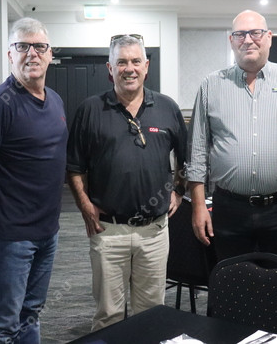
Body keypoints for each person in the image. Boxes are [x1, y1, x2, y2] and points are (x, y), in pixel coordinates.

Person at [66, 34, 187, 331]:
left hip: (154, 232)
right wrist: (84, 205)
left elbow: (187, 159)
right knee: (108, 316)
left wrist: (179, 191)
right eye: (121, 62)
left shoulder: (167, 108)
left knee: (152, 315)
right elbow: (74, 167)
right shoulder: (90, 110)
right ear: (110, 69)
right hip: (108, 231)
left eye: (135, 61)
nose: (129, 68)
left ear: (146, 66)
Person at [0, 17, 68, 343]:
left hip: (48, 232)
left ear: (50, 54)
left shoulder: (55, 100)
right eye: (23, 46)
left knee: (31, 313)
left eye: (39, 46)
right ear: (10, 54)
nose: (32, 53)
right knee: (3, 325)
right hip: (12, 238)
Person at [186, 10, 277, 263]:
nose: (248, 40)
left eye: (255, 33)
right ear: (231, 40)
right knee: (232, 280)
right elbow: (197, 150)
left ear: (269, 37)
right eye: (240, 34)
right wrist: (198, 206)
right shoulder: (211, 85)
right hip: (229, 209)